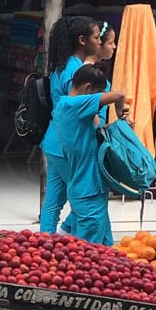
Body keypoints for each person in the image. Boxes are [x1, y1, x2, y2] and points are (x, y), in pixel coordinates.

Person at [53, 64, 128, 246]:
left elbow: (95, 133)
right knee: (90, 256)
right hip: (88, 191)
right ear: (87, 88)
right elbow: (119, 95)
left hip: (88, 189)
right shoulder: (74, 104)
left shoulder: (66, 108)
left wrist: (119, 125)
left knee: (105, 249)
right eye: (97, 93)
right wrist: (119, 109)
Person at [39, 16, 101, 234]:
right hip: (69, 145)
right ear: (83, 40)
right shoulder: (76, 70)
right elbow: (77, 103)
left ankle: (44, 243)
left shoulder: (62, 66)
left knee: (54, 198)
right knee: (86, 196)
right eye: (97, 37)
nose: (100, 42)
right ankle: (80, 240)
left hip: (53, 142)